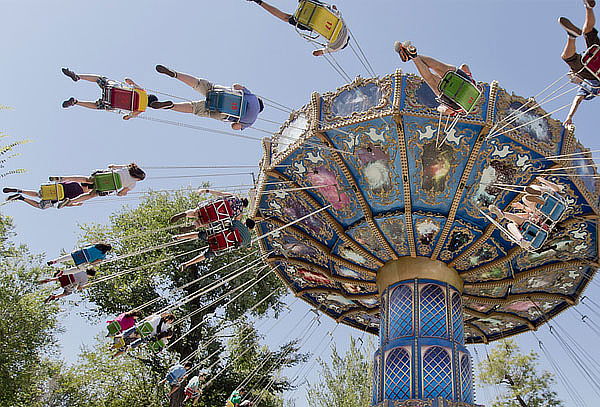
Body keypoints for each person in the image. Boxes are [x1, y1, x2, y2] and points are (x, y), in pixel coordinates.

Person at [154, 65, 264, 130]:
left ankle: (175, 74)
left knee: (197, 83)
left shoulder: (252, 97)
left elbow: (236, 86)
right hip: (222, 112)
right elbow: (235, 127)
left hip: (221, 94)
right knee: (194, 108)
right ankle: (171, 106)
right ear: (259, 111)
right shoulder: (251, 121)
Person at [393, 41, 475, 115]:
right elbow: (444, 111)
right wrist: (440, 108)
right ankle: (413, 56)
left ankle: (411, 55)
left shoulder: (474, 86)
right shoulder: (460, 111)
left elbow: (464, 66)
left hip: (467, 85)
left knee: (438, 66)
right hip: (457, 101)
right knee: (430, 79)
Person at [245, 0, 350, 56]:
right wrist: (317, 51)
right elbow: (317, 53)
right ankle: (258, 1)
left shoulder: (344, 27)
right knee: (286, 18)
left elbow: (335, 8)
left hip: (322, 12)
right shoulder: (334, 48)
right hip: (314, 23)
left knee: (311, 4)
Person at [60, 68, 173, 120]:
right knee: (96, 106)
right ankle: (76, 102)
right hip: (110, 102)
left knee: (100, 79)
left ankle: (79, 77)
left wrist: (129, 81)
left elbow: (130, 82)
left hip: (112, 90)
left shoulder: (143, 92)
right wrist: (127, 117)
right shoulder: (141, 109)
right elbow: (130, 116)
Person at [559, 0, 600, 126]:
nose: (573, 78)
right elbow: (577, 99)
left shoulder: (587, 85)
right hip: (593, 68)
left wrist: (570, 116)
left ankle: (572, 35)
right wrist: (569, 116)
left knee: (569, 57)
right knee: (588, 32)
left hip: (593, 66)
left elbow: (577, 100)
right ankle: (588, 8)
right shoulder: (585, 85)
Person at [49, 163, 146, 206]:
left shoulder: (127, 168)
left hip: (102, 177)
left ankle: (63, 178)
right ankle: (71, 201)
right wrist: (122, 193)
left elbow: (111, 166)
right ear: (138, 178)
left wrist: (114, 167)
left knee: (87, 180)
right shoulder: (133, 184)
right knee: (91, 195)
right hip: (105, 187)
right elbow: (121, 193)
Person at [174, 219, 256, 270]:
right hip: (222, 246)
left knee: (199, 234)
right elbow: (249, 248)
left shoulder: (237, 223)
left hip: (217, 235)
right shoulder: (248, 239)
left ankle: (179, 237)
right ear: (251, 229)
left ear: (245, 222)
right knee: (205, 255)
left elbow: (226, 222)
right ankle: (187, 264)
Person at [169, 189, 250, 232]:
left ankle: (184, 214)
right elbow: (234, 223)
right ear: (244, 206)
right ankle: (193, 226)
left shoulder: (233, 197)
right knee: (200, 223)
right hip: (214, 217)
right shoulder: (240, 213)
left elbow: (219, 194)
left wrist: (206, 190)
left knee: (194, 212)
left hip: (209, 208)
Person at [2, 181, 93, 209]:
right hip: (55, 198)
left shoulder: (75, 183)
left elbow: (62, 182)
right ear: (88, 188)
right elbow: (67, 202)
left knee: (38, 194)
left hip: (51, 189)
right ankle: (21, 198)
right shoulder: (79, 194)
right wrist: (75, 205)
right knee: (40, 206)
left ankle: (19, 191)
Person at [47, 243, 112, 267]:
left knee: (69, 257)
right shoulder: (103, 255)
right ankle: (65, 273)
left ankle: (54, 261)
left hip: (83, 252)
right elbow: (96, 261)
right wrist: (91, 263)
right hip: (86, 259)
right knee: (81, 269)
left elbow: (89, 245)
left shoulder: (99, 245)